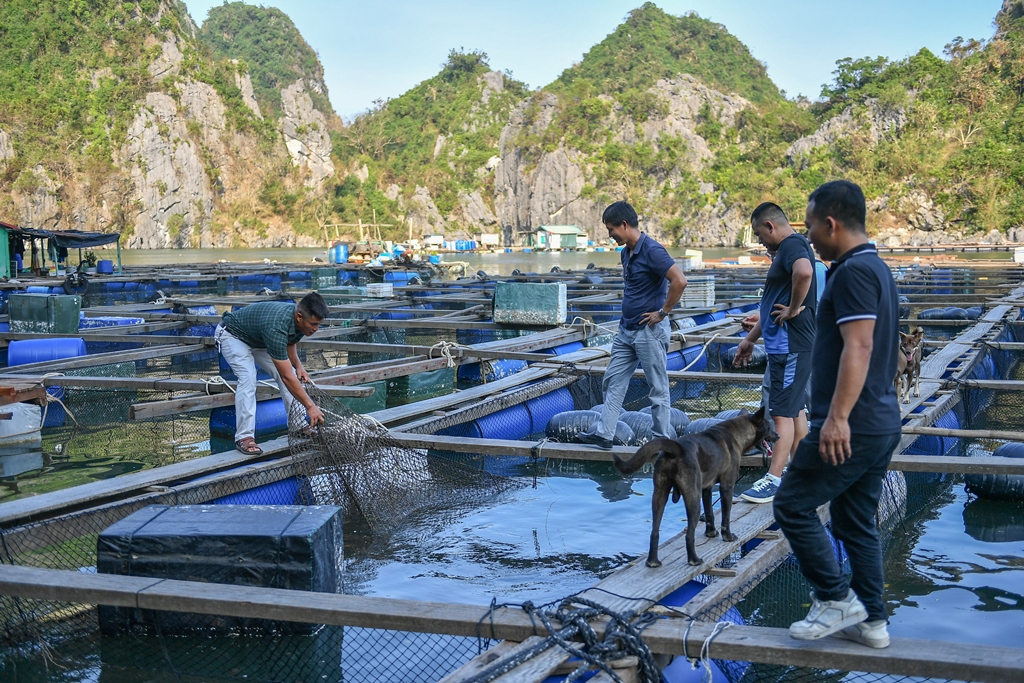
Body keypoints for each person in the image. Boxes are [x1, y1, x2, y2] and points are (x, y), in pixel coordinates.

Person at [773, 180, 901, 648]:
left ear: (831, 223)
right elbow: (893, 353)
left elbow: (860, 344)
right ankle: (872, 621)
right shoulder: (878, 269)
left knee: (791, 504)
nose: (807, 237)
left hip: (855, 425)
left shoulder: (852, 273)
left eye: (809, 227)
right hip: (881, 421)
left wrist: (838, 417)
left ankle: (834, 599)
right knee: (853, 521)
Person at [579, 200, 687, 449]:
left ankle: (663, 441)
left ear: (624, 225)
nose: (610, 236)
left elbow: (679, 281)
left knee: (657, 388)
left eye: (611, 230)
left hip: (649, 331)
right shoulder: (625, 253)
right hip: (626, 330)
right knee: (612, 380)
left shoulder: (653, 250)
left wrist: (662, 312)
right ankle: (605, 434)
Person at [733, 202, 817, 503]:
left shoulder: (792, 245)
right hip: (786, 345)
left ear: (770, 226)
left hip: (790, 346)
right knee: (795, 412)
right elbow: (771, 304)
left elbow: (805, 273)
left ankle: (774, 479)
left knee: (780, 413)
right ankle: (805, 474)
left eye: (759, 234)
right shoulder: (788, 249)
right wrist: (751, 339)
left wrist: (794, 308)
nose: (759, 242)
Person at [216, 292, 329, 455]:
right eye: (313, 324)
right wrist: (310, 406)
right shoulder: (276, 326)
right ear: (299, 317)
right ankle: (244, 437)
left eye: (319, 324)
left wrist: (298, 366)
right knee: (248, 377)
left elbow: (290, 341)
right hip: (233, 335)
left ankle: (298, 426)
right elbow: (286, 377)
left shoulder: (299, 321)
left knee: (291, 372)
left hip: (258, 338)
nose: (316, 329)